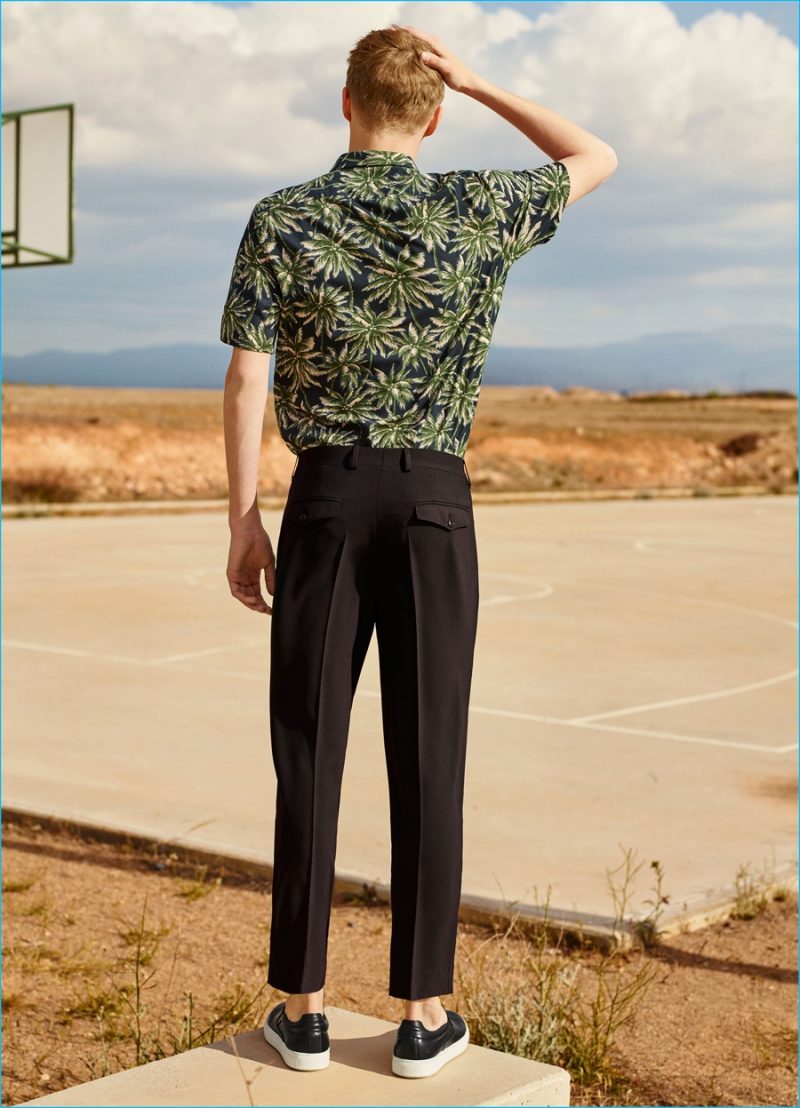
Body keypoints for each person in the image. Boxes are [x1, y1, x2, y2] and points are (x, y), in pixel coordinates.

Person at [220, 22, 617, 1079]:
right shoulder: (475, 204)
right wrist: (484, 82)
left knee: (309, 743)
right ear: (432, 114)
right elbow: (593, 156)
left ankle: (299, 1008)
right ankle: (420, 1011)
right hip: (436, 498)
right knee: (428, 748)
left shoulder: (283, 216)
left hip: (325, 497)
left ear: (343, 103)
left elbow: (246, 380)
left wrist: (241, 515)